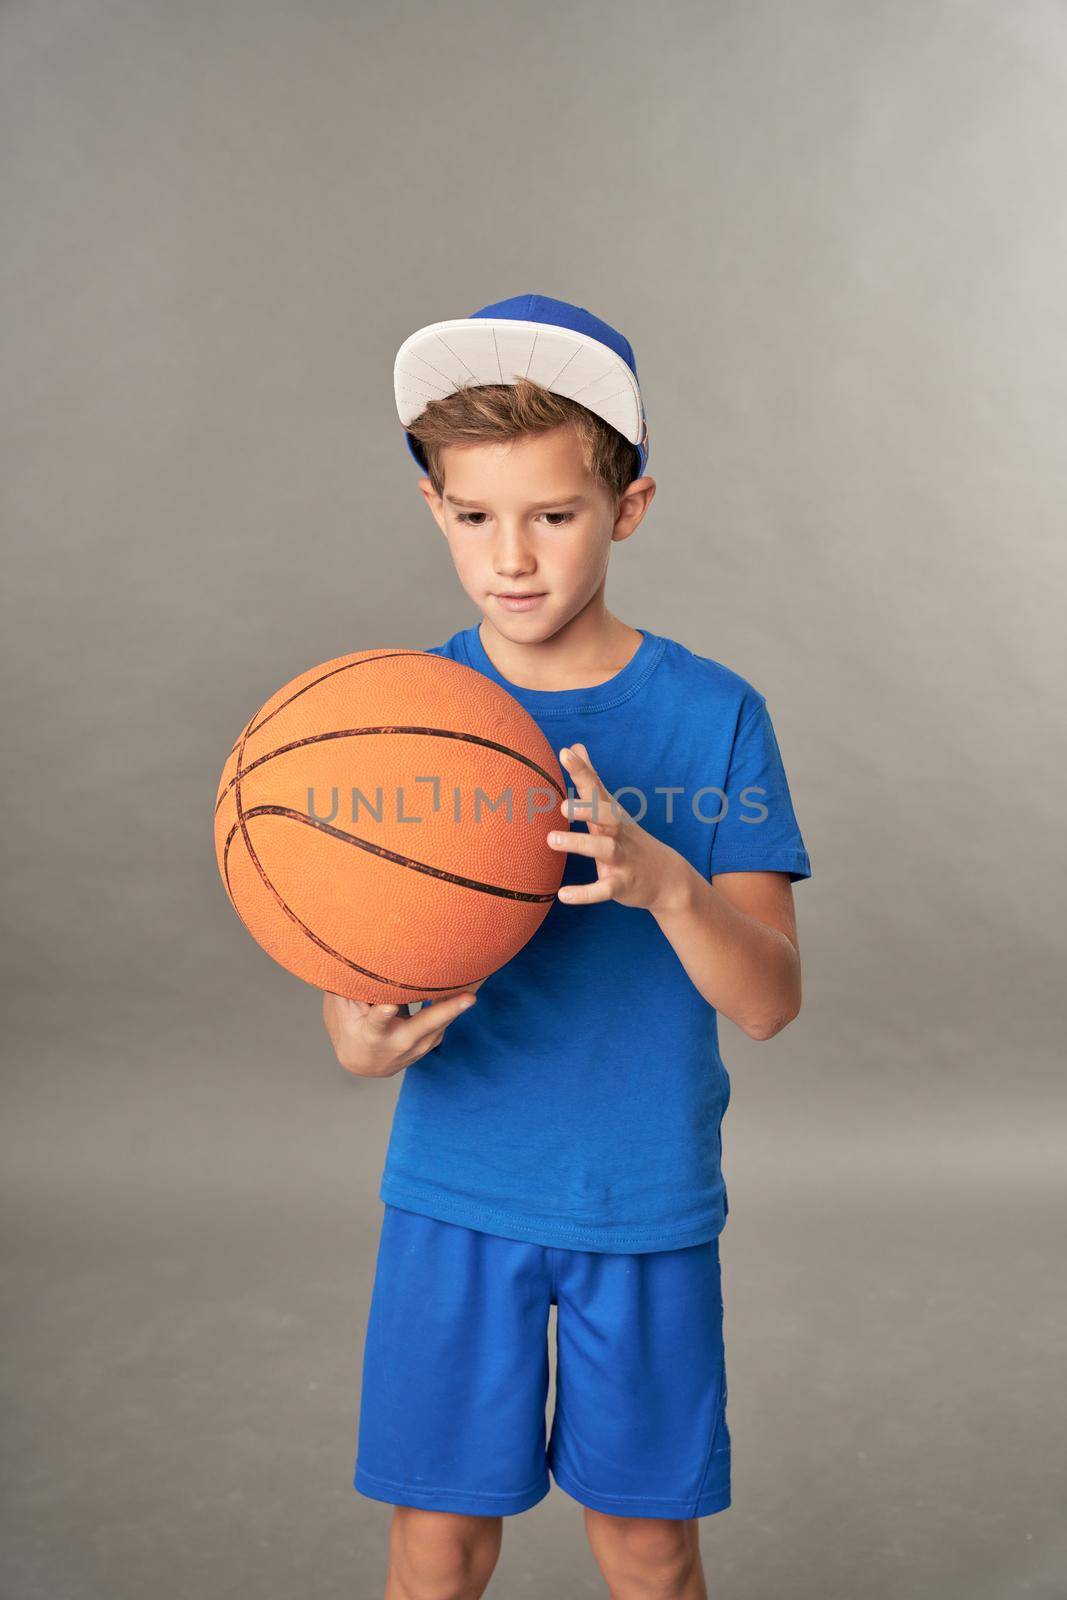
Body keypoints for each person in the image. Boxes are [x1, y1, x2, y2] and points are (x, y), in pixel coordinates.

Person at [322, 292, 811, 1599]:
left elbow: (769, 1001)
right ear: (436, 510)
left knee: (648, 1548)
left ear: (628, 508)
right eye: (475, 518)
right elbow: (354, 1020)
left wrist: (663, 881)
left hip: (639, 1203)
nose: (513, 558)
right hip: (454, 1195)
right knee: (437, 1541)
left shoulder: (715, 720)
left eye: (554, 514)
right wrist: (366, 1038)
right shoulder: (395, 721)